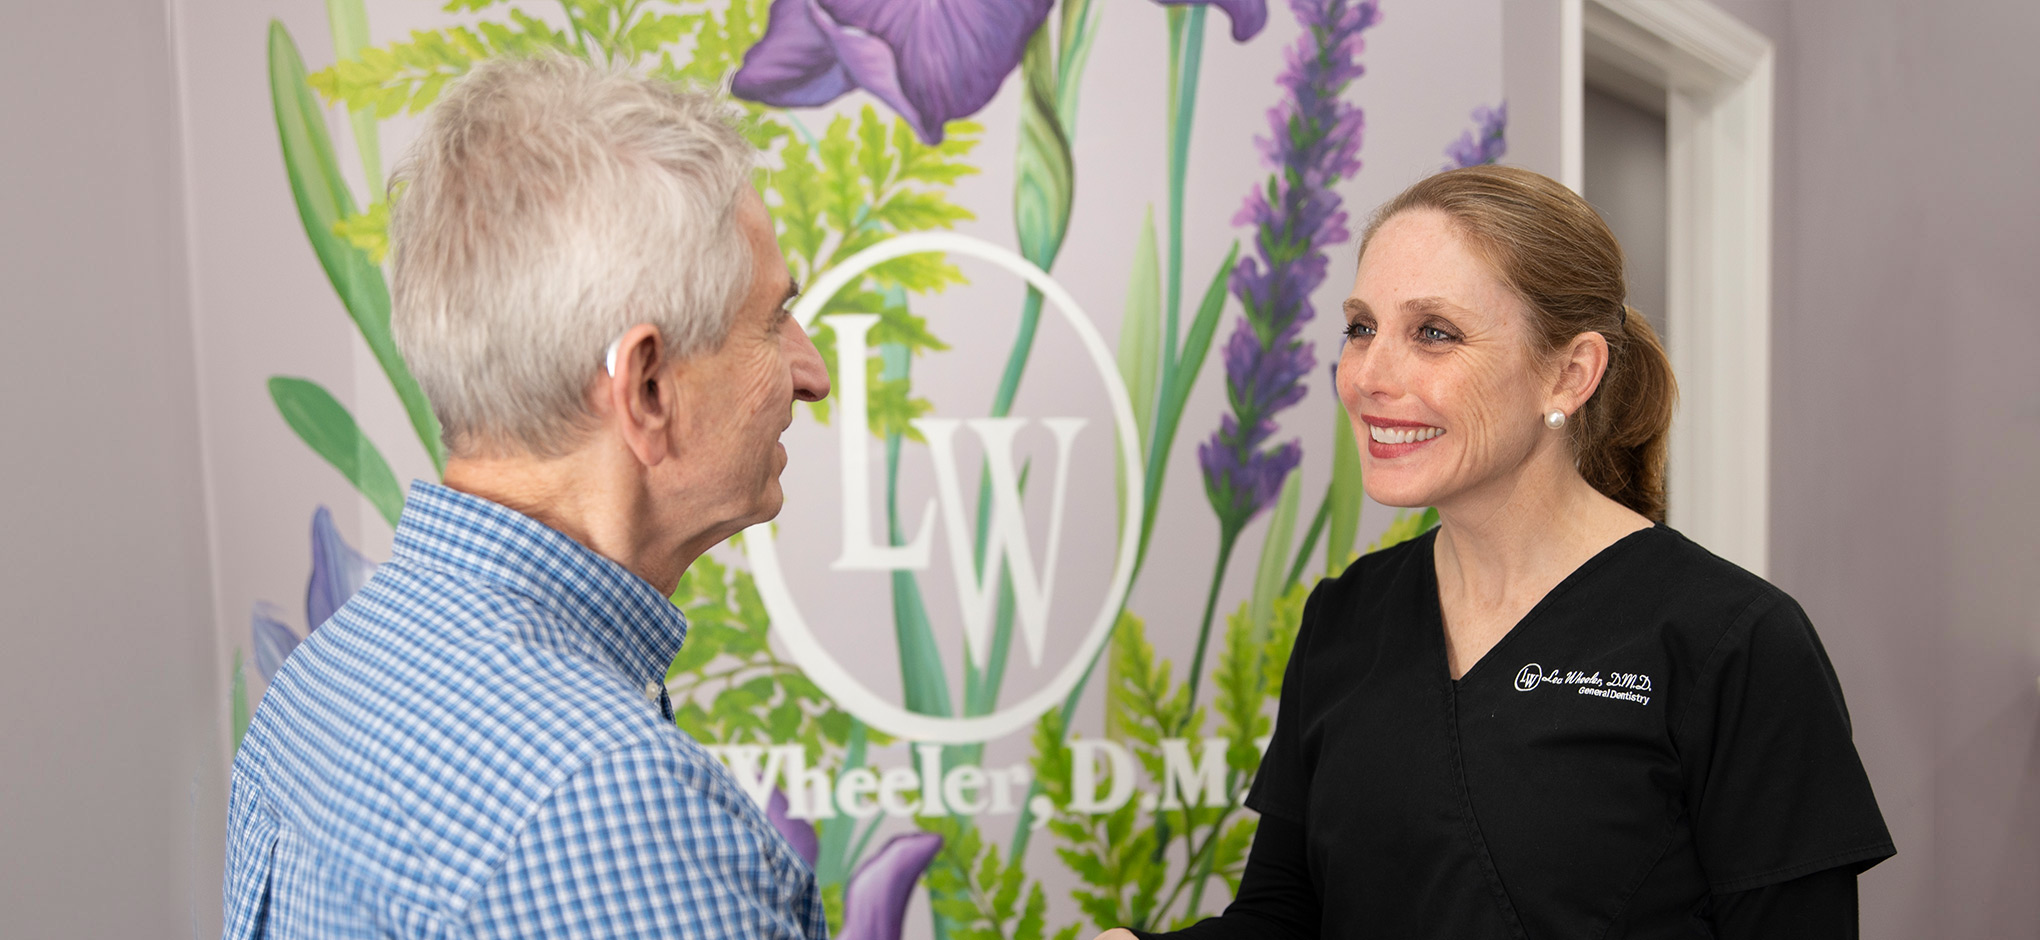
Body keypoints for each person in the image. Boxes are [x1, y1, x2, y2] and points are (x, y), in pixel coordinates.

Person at [1099, 166, 1893, 939]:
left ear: (1570, 373)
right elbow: (1285, 915)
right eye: (1360, 327)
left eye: (1433, 333)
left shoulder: (1733, 643)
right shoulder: (1347, 616)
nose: (1368, 375)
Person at [221, 55, 830, 938]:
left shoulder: (322, 678)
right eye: (774, 320)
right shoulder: (601, 804)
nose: (810, 373)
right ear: (648, 389)